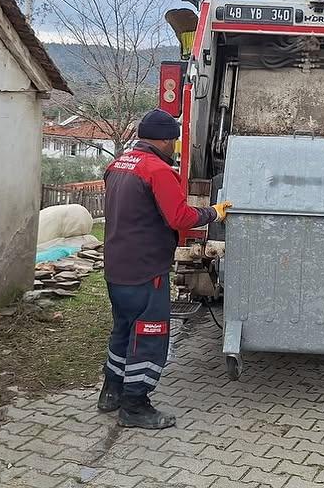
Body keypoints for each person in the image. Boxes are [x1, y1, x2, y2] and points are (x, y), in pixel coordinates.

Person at [97, 108, 232, 428]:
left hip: (117, 267)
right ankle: (135, 406)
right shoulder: (157, 171)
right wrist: (214, 213)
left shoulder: (117, 164)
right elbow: (180, 217)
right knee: (149, 336)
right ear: (165, 140)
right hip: (146, 270)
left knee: (123, 329)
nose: (175, 145)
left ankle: (110, 392)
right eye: (173, 139)